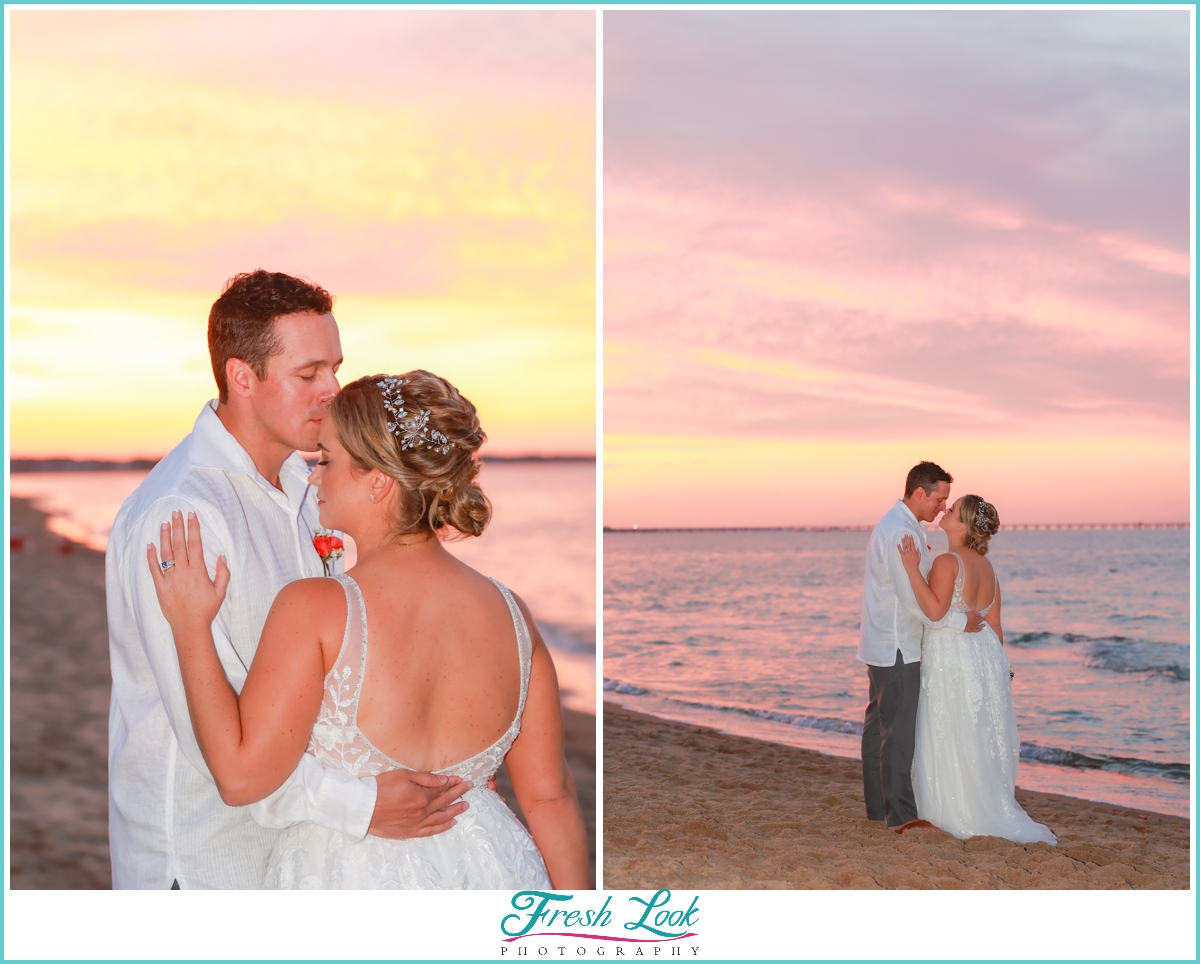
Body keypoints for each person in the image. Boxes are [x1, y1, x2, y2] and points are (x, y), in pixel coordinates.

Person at [146, 371, 590, 889]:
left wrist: (190, 627)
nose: (314, 478)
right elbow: (550, 798)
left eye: (327, 461)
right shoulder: (513, 614)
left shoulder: (315, 607)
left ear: (378, 481)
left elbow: (241, 777)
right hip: (492, 872)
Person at [106, 271, 472, 889]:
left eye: (334, 367)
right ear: (242, 378)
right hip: (201, 869)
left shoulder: (311, 489)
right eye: (309, 375)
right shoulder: (182, 516)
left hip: (297, 861)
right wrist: (364, 805)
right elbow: (211, 736)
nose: (333, 390)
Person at [898, 495, 1057, 844]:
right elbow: (996, 627)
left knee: (948, 726)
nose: (946, 510)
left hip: (951, 656)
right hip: (985, 656)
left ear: (962, 525)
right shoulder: (989, 569)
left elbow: (936, 613)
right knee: (974, 729)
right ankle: (981, 803)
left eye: (952, 510)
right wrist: (1000, 674)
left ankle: (951, 809)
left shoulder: (947, 561)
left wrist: (911, 569)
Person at [857, 461, 985, 832]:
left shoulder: (902, 525)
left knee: (878, 728)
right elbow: (915, 600)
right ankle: (900, 817)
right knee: (898, 733)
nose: (943, 507)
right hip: (898, 645)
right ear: (919, 493)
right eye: (939, 499)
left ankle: (878, 811)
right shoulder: (900, 533)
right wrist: (960, 621)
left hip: (884, 641)